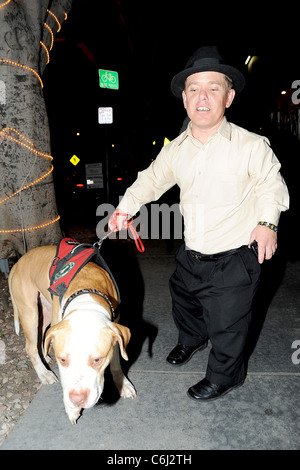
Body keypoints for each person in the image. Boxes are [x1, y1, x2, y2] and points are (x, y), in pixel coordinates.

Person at [109, 46, 289, 401]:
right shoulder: (176, 148)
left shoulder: (252, 146)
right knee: (184, 302)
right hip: (192, 254)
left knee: (228, 326)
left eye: (213, 87)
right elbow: (151, 180)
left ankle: (226, 376)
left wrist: (268, 223)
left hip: (235, 258)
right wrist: (124, 207)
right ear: (185, 98)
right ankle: (191, 340)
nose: (202, 96)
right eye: (194, 88)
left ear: (229, 96)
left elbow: (272, 185)